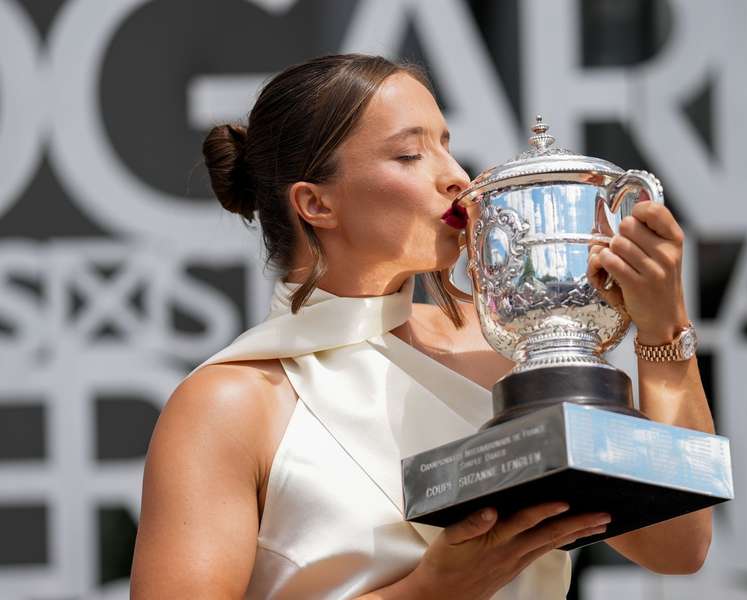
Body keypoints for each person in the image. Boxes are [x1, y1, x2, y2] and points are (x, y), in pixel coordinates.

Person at [130, 53, 714, 599]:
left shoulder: (502, 354)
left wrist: (663, 330)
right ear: (316, 204)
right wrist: (427, 592)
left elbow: (678, 544)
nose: (457, 176)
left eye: (446, 144)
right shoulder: (228, 404)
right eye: (410, 156)